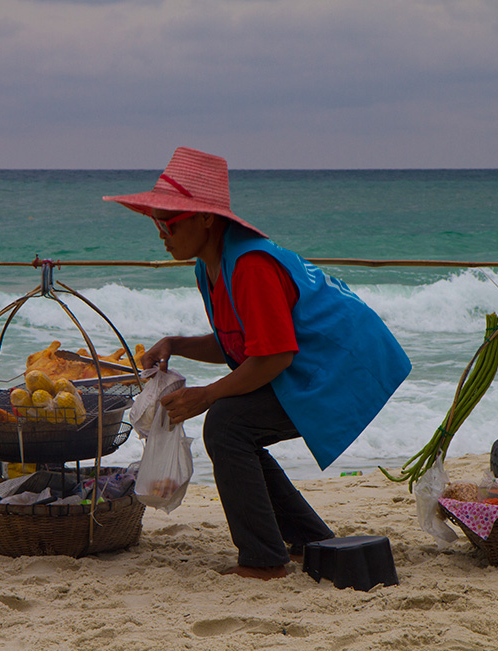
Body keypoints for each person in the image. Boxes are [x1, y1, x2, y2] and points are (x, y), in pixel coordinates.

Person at [103, 147, 411, 580]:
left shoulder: (250, 266)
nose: (161, 235)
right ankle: (307, 539)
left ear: (206, 219)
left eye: (169, 223)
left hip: (345, 366)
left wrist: (207, 396)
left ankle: (264, 559)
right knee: (237, 426)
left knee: (228, 422)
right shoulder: (209, 267)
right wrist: (176, 344)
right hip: (306, 364)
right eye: (156, 223)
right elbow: (241, 343)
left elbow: (274, 355)